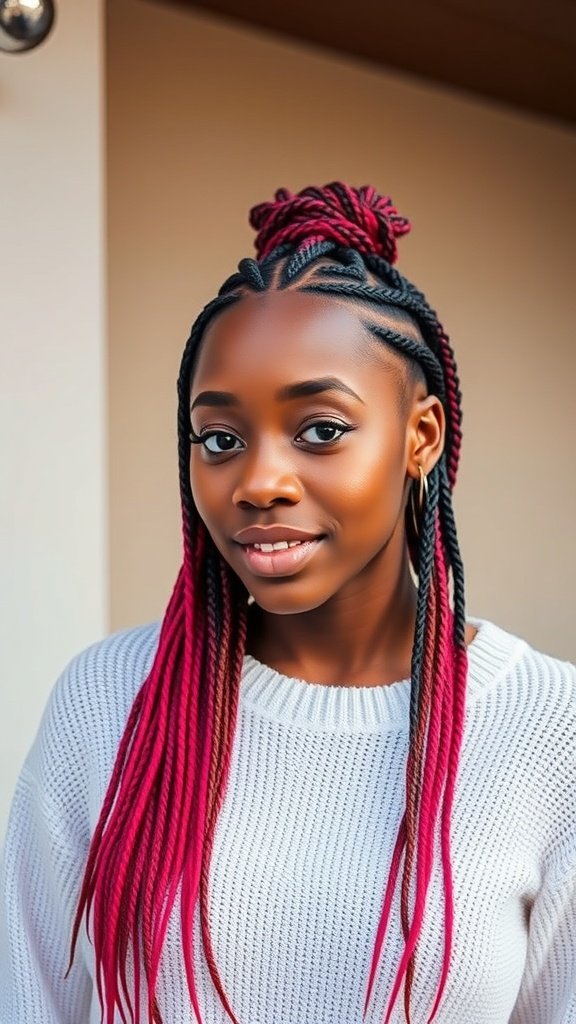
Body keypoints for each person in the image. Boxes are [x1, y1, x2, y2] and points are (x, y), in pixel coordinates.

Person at [1, 182, 574, 1024]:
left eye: (321, 430)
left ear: (420, 437)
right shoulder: (107, 700)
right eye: (220, 439)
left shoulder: (550, 727)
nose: (259, 482)